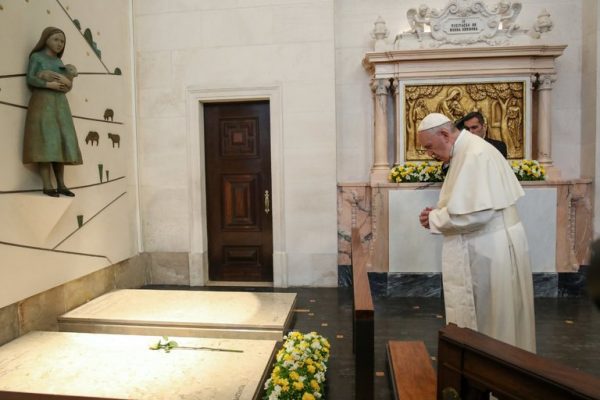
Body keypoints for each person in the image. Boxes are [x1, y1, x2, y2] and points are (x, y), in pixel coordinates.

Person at [417, 113, 536, 353]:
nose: (429, 154)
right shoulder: (465, 151)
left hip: (492, 249)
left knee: (493, 322)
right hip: (488, 244)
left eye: (429, 147)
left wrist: (435, 218)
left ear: (444, 134)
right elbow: (467, 203)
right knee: (490, 321)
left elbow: (476, 214)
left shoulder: (474, 154)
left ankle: (494, 382)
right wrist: (440, 212)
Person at [23, 27, 82, 197]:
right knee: (46, 142)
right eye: (56, 39)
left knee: (61, 142)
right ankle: (47, 185)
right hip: (42, 102)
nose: (59, 44)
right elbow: (30, 78)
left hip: (60, 105)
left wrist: (68, 82)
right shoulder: (37, 57)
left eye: (62, 41)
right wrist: (48, 84)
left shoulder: (59, 62)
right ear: (46, 39)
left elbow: (66, 86)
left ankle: (61, 184)